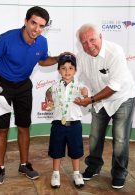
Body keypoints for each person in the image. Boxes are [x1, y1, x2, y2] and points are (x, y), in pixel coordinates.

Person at [0, 6, 60, 185]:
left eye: (41, 26)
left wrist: (58, 58)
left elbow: (42, 60)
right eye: (33, 23)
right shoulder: (7, 38)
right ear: (26, 21)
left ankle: (24, 165)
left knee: (24, 126)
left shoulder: (42, 42)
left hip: (23, 85)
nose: (36, 29)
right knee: (2, 129)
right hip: (2, 84)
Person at [73, 24, 135, 189]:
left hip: (122, 98)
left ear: (100, 37)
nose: (89, 45)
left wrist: (91, 99)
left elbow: (114, 86)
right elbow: (75, 77)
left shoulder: (115, 52)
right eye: (84, 42)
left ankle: (119, 173)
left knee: (120, 139)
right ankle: (93, 166)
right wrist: (80, 89)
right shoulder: (81, 56)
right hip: (99, 99)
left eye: (92, 39)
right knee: (94, 136)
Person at [46, 54, 88, 188]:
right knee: (56, 150)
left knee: (75, 151)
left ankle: (76, 173)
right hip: (58, 124)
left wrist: (85, 94)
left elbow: (85, 95)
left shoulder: (79, 86)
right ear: (59, 70)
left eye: (71, 68)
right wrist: (49, 98)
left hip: (74, 125)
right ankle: (56, 173)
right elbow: (48, 92)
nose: (67, 71)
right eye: (63, 68)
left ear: (75, 70)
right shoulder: (54, 86)